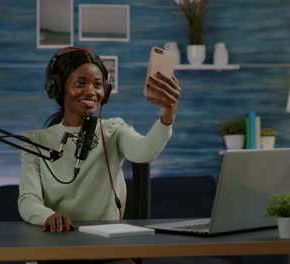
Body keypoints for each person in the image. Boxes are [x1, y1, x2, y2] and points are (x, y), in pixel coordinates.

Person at [18, 46, 181, 233]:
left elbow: (146, 152)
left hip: (108, 243)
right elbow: (28, 200)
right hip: (58, 241)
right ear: (59, 88)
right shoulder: (36, 141)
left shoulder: (113, 130)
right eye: (80, 83)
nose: (91, 91)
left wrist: (167, 114)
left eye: (97, 84)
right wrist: (47, 216)